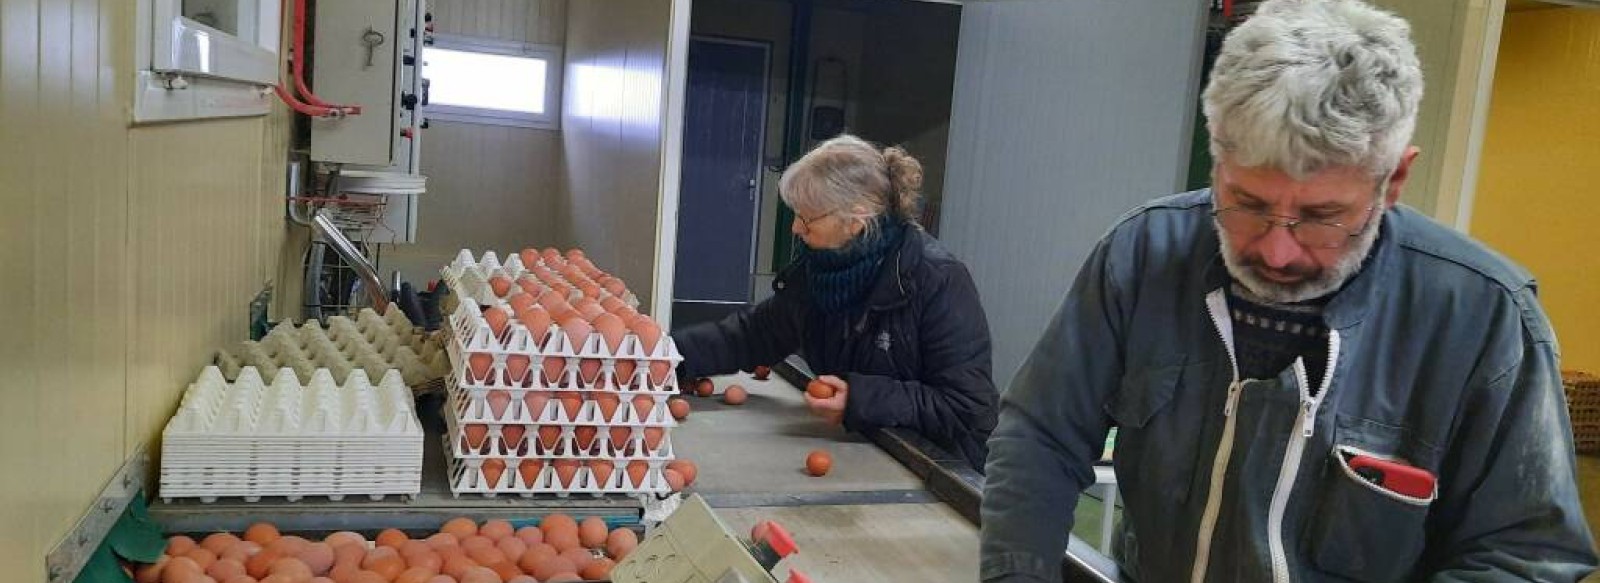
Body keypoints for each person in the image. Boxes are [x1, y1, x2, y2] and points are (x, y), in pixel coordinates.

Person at [979, 1, 1598, 581]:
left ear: (1395, 178)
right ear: (1217, 160)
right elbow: (1040, 435)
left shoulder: (1484, 316)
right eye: (1246, 204)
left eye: (1321, 215)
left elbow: (1524, 554)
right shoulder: (1144, 254)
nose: (1276, 251)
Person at [672, 134, 998, 469]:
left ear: (855, 220)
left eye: (807, 218)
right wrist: (666, 358)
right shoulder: (818, 270)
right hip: (863, 448)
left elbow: (967, 406)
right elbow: (753, 334)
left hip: (935, 467)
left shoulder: (935, 279)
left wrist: (860, 399)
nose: (796, 228)